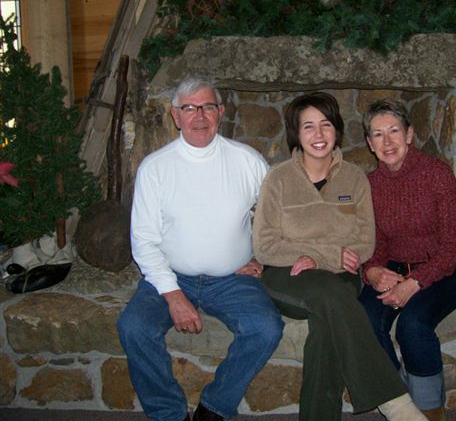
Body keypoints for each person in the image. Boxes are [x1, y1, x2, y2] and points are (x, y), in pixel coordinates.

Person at [117, 77, 284, 421]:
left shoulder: (247, 161)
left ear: (220, 112)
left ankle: (214, 407)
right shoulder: (155, 169)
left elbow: (277, 219)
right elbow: (144, 241)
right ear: (175, 116)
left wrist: (263, 259)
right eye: (189, 108)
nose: (200, 116)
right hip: (169, 275)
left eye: (208, 106)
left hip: (232, 279)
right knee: (133, 327)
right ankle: (168, 413)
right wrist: (173, 294)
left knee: (266, 327)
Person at [252, 92, 426, 421]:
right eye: (308, 127)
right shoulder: (278, 179)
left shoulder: (354, 178)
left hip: (341, 277)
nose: (318, 135)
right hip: (288, 276)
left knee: (326, 326)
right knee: (330, 295)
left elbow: (365, 241)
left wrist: (323, 259)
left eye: (326, 125)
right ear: (296, 133)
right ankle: (396, 404)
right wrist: (325, 254)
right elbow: (264, 246)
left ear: (337, 130)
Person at [358, 99, 456, 421]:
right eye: (378, 135)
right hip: (397, 267)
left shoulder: (436, 173)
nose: (387, 141)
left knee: (413, 324)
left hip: (449, 269)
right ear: (370, 144)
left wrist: (416, 283)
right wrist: (372, 271)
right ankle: (402, 407)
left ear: (409, 135)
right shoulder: (370, 185)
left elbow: (455, 244)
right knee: (365, 319)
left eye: (394, 131)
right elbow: (378, 241)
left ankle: (430, 411)